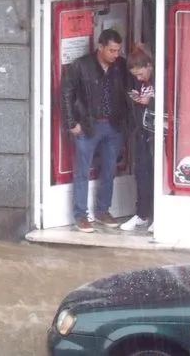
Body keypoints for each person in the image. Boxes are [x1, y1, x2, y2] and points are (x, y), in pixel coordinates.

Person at [60, 28, 131, 233]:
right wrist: (71, 122)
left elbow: (129, 90)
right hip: (88, 124)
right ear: (100, 47)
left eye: (117, 50)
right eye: (111, 50)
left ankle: (102, 210)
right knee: (82, 171)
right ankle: (81, 215)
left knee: (109, 169)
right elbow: (66, 92)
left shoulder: (121, 66)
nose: (115, 55)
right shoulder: (82, 65)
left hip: (113, 125)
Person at [120, 44, 156, 233]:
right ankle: (142, 214)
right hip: (142, 133)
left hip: (158, 135)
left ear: (149, 65)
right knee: (142, 174)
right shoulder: (138, 83)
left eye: (140, 74)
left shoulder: (161, 80)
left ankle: (157, 215)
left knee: (156, 175)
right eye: (135, 75)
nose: (139, 78)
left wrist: (152, 101)